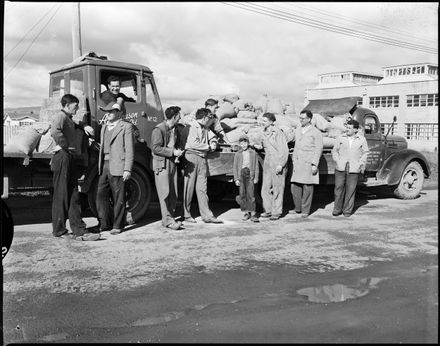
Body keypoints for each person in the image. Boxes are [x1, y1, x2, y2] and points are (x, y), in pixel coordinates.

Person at [50, 94, 100, 241]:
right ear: (66, 106)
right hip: (63, 157)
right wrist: (64, 145)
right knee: (62, 195)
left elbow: (75, 124)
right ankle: (59, 230)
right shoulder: (61, 116)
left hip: (69, 157)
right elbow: (55, 131)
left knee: (73, 195)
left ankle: (79, 230)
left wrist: (84, 125)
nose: (77, 108)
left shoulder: (69, 118)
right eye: (75, 106)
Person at [96, 102, 135, 234]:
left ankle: (118, 225)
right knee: (100, 195)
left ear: (118, 113)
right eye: (106, 111)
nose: (108, 114)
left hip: (118, 165)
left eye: (111, 111)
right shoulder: (104, 127)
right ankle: (104, 223)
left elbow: (129, 149)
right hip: (104, 165)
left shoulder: (126, 126)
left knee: (119, 197)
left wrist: (127, 169)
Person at [183, 108, 223, 224]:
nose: (210, 120)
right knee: (188, 187)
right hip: (191, 157)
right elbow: (192, 144)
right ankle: (186, 215)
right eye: (209, 118)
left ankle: (207, 215)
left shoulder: (205, 128)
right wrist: (208, 147)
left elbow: (212, 136)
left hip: (202, 158)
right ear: (204, 117)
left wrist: (214, 142)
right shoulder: (192, 126)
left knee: (202, 188)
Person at [151, 106, 184, 230]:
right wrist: (172, 152)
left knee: (173, 193)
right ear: (174, 116)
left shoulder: (174, 129)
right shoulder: (159, 129)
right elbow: (155, 148)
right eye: (179, 115)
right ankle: (168, 221)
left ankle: (169, 217)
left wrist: (177, 152)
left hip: (172, 163)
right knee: (165, 193)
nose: (180, 117)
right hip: (162, 164)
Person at [254, 112, 289, 221]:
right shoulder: (263, 132)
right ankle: (268, 210)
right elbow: (263, 145)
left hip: (277, 161)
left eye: (265, 121)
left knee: (278, 188)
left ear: (271, 122)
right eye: (262, 120)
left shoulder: (278, 132)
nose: (262, 122)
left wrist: (281, 164)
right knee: (265, 187)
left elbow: (284, 150)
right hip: (268, 161)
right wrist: (258, 146)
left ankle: (276, 212)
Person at [331, 119, 369, 217]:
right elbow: (334, 150)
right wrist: (337, 160)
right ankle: (337, 209)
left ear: (356, 130)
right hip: (341, 166)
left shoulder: (361, 139)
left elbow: (365, 152)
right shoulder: (340, 138)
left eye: (349, 128)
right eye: (347, 127)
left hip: (353, 167)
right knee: (338, 188)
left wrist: (360, 163)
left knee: (351, 189)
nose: (347, 129)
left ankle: (347, 211)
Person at [290, 110, 323, 218]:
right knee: (295, 186)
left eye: (303, 118)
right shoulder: (298, 130)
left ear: (309, 119)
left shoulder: (316, 132)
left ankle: (305, 210)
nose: (301, 120)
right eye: (300, 118)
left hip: (308, 162)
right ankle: (297, 208)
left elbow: (318, 149)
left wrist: (315, 164)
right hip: (298, 162)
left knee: (308, 187)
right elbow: (296, 147)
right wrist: (294, 160)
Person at [233, 134, 260, 222]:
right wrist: (236, 178)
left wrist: (256, 177)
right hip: (241, 174)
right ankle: (246, 212)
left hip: (250, 174)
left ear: (248, 143)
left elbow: (256, 166)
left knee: (251, 194)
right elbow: (235, 167)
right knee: (242, 194)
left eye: (245, 143)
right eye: (241, 144)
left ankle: (253, 213)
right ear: (239, 144)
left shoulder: (253, 153)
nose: (243, 145)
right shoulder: (238, 154)